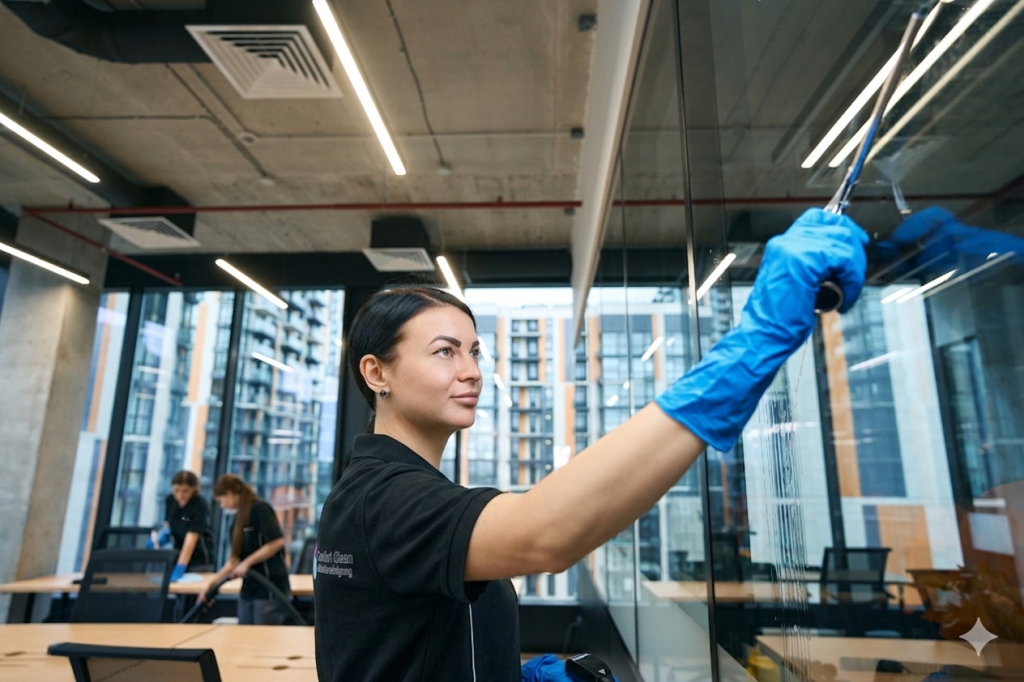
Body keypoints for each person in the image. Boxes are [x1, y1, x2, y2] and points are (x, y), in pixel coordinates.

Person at [313, 208, 869, 681]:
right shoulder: (386, 500)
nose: (472, 371)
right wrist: (756, 339)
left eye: (475, 352)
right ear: (376, 372)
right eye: (444, 352)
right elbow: (546, 535)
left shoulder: (384, 494)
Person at [202, 474, 292, 625]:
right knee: (244, 633)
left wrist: (247, 563)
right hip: (249, 589)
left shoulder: (260, 509)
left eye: (221, 500)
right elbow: (235, 559)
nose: (222, 506)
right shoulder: (238, 520)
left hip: (268, 587)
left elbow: (276, 542)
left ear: (230, 493)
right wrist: (211, 585)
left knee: (262, 636)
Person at [154, 470, 215, 581]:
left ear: (194, 490)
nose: (180, 495)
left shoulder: (199, 505)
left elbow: (190, 541)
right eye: (176, 490)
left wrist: (180, 567)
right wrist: (161, 538)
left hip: (198, 557)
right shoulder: (170, 500)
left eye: (185, 491)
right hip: (178, 552)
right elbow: (169, 523)